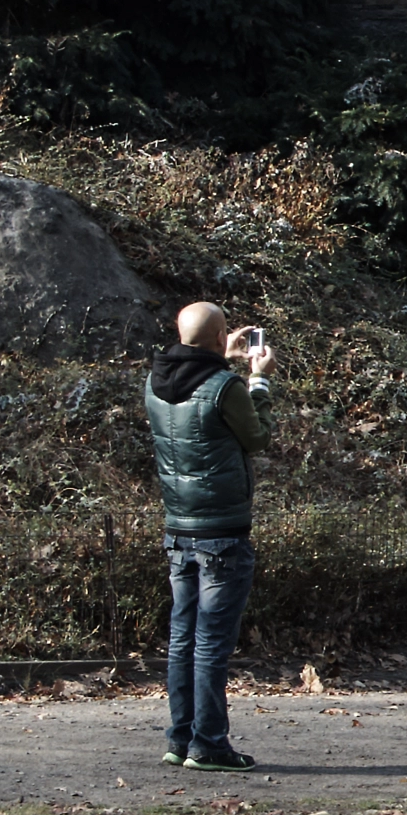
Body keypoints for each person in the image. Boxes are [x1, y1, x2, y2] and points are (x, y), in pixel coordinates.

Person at [148, 302, 276, 772]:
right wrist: (258, 379)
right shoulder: (225, 387)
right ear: (221, 335)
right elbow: (257, 437)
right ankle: (210, 744)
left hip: (179, 529)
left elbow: (195, 381)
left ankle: (179, 739)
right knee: (211, 645)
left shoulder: (155, 382)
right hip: (223, 531)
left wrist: (222, 354)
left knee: (182, 640)